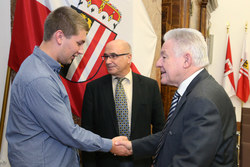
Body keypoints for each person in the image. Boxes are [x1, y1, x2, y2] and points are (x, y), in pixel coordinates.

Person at [6, 6, 129, 167]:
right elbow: (68, 133)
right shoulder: (40, 78)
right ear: (59, 37)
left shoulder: (42, 68)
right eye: (79, 43)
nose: (81, 51)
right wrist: (110, 145)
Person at [116, 28, 237, 167]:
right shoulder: (196, 89)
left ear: (186, 60)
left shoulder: (202, 100)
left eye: (164, 57)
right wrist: (132, 146)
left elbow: (190, 163)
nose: (158, 63)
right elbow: (171, 135)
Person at [81, 39, 165, 167]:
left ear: (128, 57)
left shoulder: (150, 86)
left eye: (113, 56)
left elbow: (160, 128)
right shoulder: (94, 88)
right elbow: (87, 131)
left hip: (141, 161)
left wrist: (158, 161)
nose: (108, 61)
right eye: (106, 56)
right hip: (105, 162)